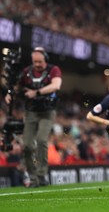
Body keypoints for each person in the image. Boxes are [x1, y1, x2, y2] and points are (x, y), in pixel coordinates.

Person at [5, 47, 62, 187]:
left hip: (47, 111)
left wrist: (36, 92)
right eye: (35, 61)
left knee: (41, 139)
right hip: (30, 112)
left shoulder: (53, 70)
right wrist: (10, 93)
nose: (37, 64)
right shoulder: (27, 72)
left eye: (40, 61)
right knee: (27, 145)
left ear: (45, 59)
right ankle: (33, 178)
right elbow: (17, 87)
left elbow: (56, 85)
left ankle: (42, 174)